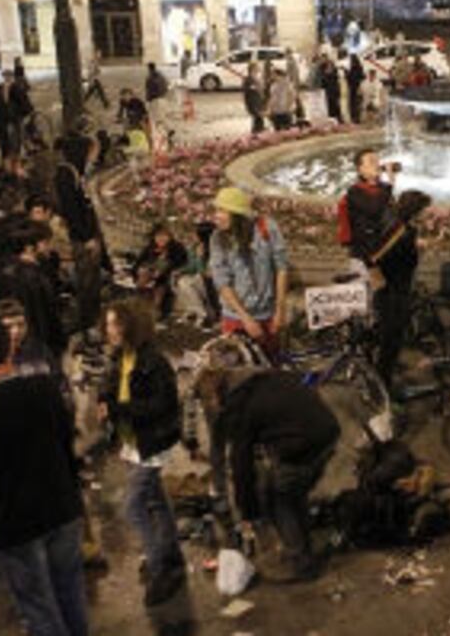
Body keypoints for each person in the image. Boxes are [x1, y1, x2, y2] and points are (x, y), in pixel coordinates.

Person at [0, 318, 88, 636]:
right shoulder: (44, 389)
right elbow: (65, 437)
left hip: (14, 520)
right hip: (62, 506)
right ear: (10, 349)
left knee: (38, 607)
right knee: (70, 593)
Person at [196, 363, 340, 583]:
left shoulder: (240, 407)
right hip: (328, 431)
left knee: (276, 499)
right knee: (294, 493)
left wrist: (248, 511)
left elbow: (240, 463)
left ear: (216, 394)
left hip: (305, 445)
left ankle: (302, 565)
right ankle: (302, 545)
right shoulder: (265, 376)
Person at [96, 299, 186, 607]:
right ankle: (170, 552)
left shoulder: (153, 361)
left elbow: (163, 406)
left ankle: (160, 568)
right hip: (134, 441)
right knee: (156, 499)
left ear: (130, 326)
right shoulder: (123, 357)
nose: (109, 331)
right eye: (107, 324)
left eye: (115, 324)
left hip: (153, 442)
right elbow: (116, 389)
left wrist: (118, 408)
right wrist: (104, 399)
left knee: (133, 506)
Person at [208, 187, 290, 353]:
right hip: (235, 316)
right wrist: (245, 319)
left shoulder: (267, 228)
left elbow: (282, 268)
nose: (216, 215)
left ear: (237, 215)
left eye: (222, 210)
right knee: (237, 371)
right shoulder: (217, 238)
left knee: (271, 366)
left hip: (268, 313)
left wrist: (280, 310)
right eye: (216, 210)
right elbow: (222, 281)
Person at [372, 191, 433, 389]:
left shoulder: (401, 227)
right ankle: (383, 389)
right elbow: (377, 257)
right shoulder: (401, 232)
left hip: (394, 291)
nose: (426, 214)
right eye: (424, 210)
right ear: (414, 211)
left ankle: (382, 377)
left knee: (390, 340)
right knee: (390, 342)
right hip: (393, 294)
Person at [54, 119, 105, 335]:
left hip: (85, 235)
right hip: (80, 238)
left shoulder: (76, 172)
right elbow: (72, 211)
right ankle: (86, 324)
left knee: (92, 280)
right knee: (86, 282)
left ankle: (92, 320)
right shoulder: (67, 175)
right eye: (92, 152)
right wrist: (87, 238)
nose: (94, 157)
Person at [0, 221, 66, 358]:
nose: (49, 247)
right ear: (29, 248)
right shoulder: (31, 279)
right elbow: (40, 318)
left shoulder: (14, 271)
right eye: (45, 243)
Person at [338, 149, 397, 271]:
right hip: (365, 253)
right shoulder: (354, 191)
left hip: (385, 249)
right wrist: (391, 184)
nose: (377, 164)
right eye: (371, 161)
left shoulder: (384, 188)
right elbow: (374, 210)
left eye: (377, 160)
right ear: (360, 169)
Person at [133, 223, 190, 318]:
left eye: (164, 236)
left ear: (169, 237)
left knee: (160, 284)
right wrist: (141, 270)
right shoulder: (150, 248)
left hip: (165, 276)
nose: (161, 239)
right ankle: (140, 305)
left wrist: (160, 272)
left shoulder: (176, 248)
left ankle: (156, 309)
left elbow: (178, 263)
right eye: (158, 236)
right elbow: (137, 264)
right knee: (144, 275)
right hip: (149, 274)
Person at [243, 65, 266, 134]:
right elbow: (247, 90)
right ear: (252, 70)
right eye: (256, 69)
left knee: (259, 118)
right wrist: (255, 87)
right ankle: (256, 132)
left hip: (258, 101)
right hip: (253, 102)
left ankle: (259, 130)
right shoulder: (248, 79)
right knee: (257, 117)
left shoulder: (255, 78)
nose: (258, 70)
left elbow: (260, 88)